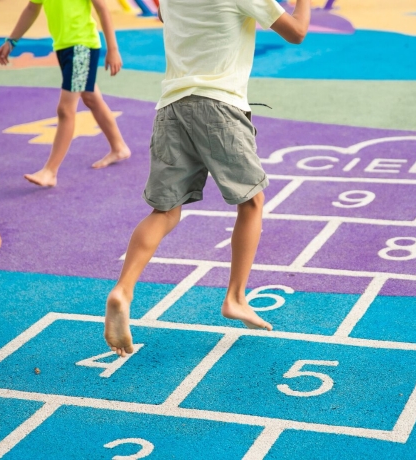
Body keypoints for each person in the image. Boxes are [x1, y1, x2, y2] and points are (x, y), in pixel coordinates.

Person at [104, 0, 312, 356]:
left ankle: (123, 289)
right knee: (252, 201)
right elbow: (297, 32)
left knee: (165, 211)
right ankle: (235, 297)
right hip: (219, 106)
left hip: (171, 107)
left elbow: (164, 14)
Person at [0, 0, 131, 187]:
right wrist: (11, 41)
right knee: (89, 97)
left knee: (65, 110)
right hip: (63, 47)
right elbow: (32, 7)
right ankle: (119, 147)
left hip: (81, 47)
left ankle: (50, 171)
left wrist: (113, 50)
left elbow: (102, 8)